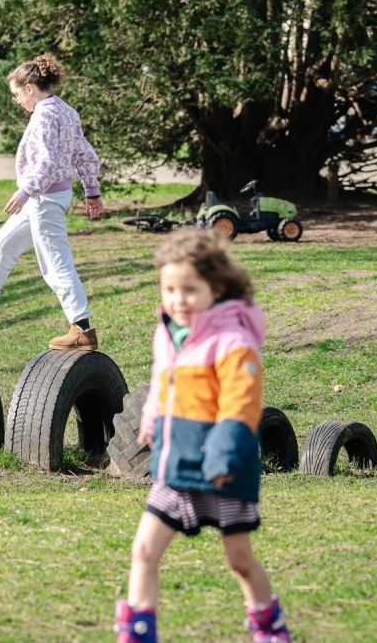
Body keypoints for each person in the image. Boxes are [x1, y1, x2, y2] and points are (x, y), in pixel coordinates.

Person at [115, 229, 288, 643]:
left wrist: (222, 456)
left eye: (189, 290)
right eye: (169, 289)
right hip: (176, 467)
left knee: (239, 560)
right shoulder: (168, 332)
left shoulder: (234, 343)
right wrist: (152, 418)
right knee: (144, 551)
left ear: (216, 287)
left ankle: (269, 629)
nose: (178, 300)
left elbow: (240, 405)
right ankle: (138, 633)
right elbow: (162, 381)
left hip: (225, 471)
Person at [0, 52, 104, 349]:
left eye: (17, 94)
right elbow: (85, 152)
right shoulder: (66, 110)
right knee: (3, 243)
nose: (17, 100)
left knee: (56, 264)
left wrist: (25, 191)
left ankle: (81, 327)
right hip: (46, 197)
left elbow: (46, 162)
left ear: (30, 88)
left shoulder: (44, 114)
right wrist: (91, 190)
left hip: (44, 198)